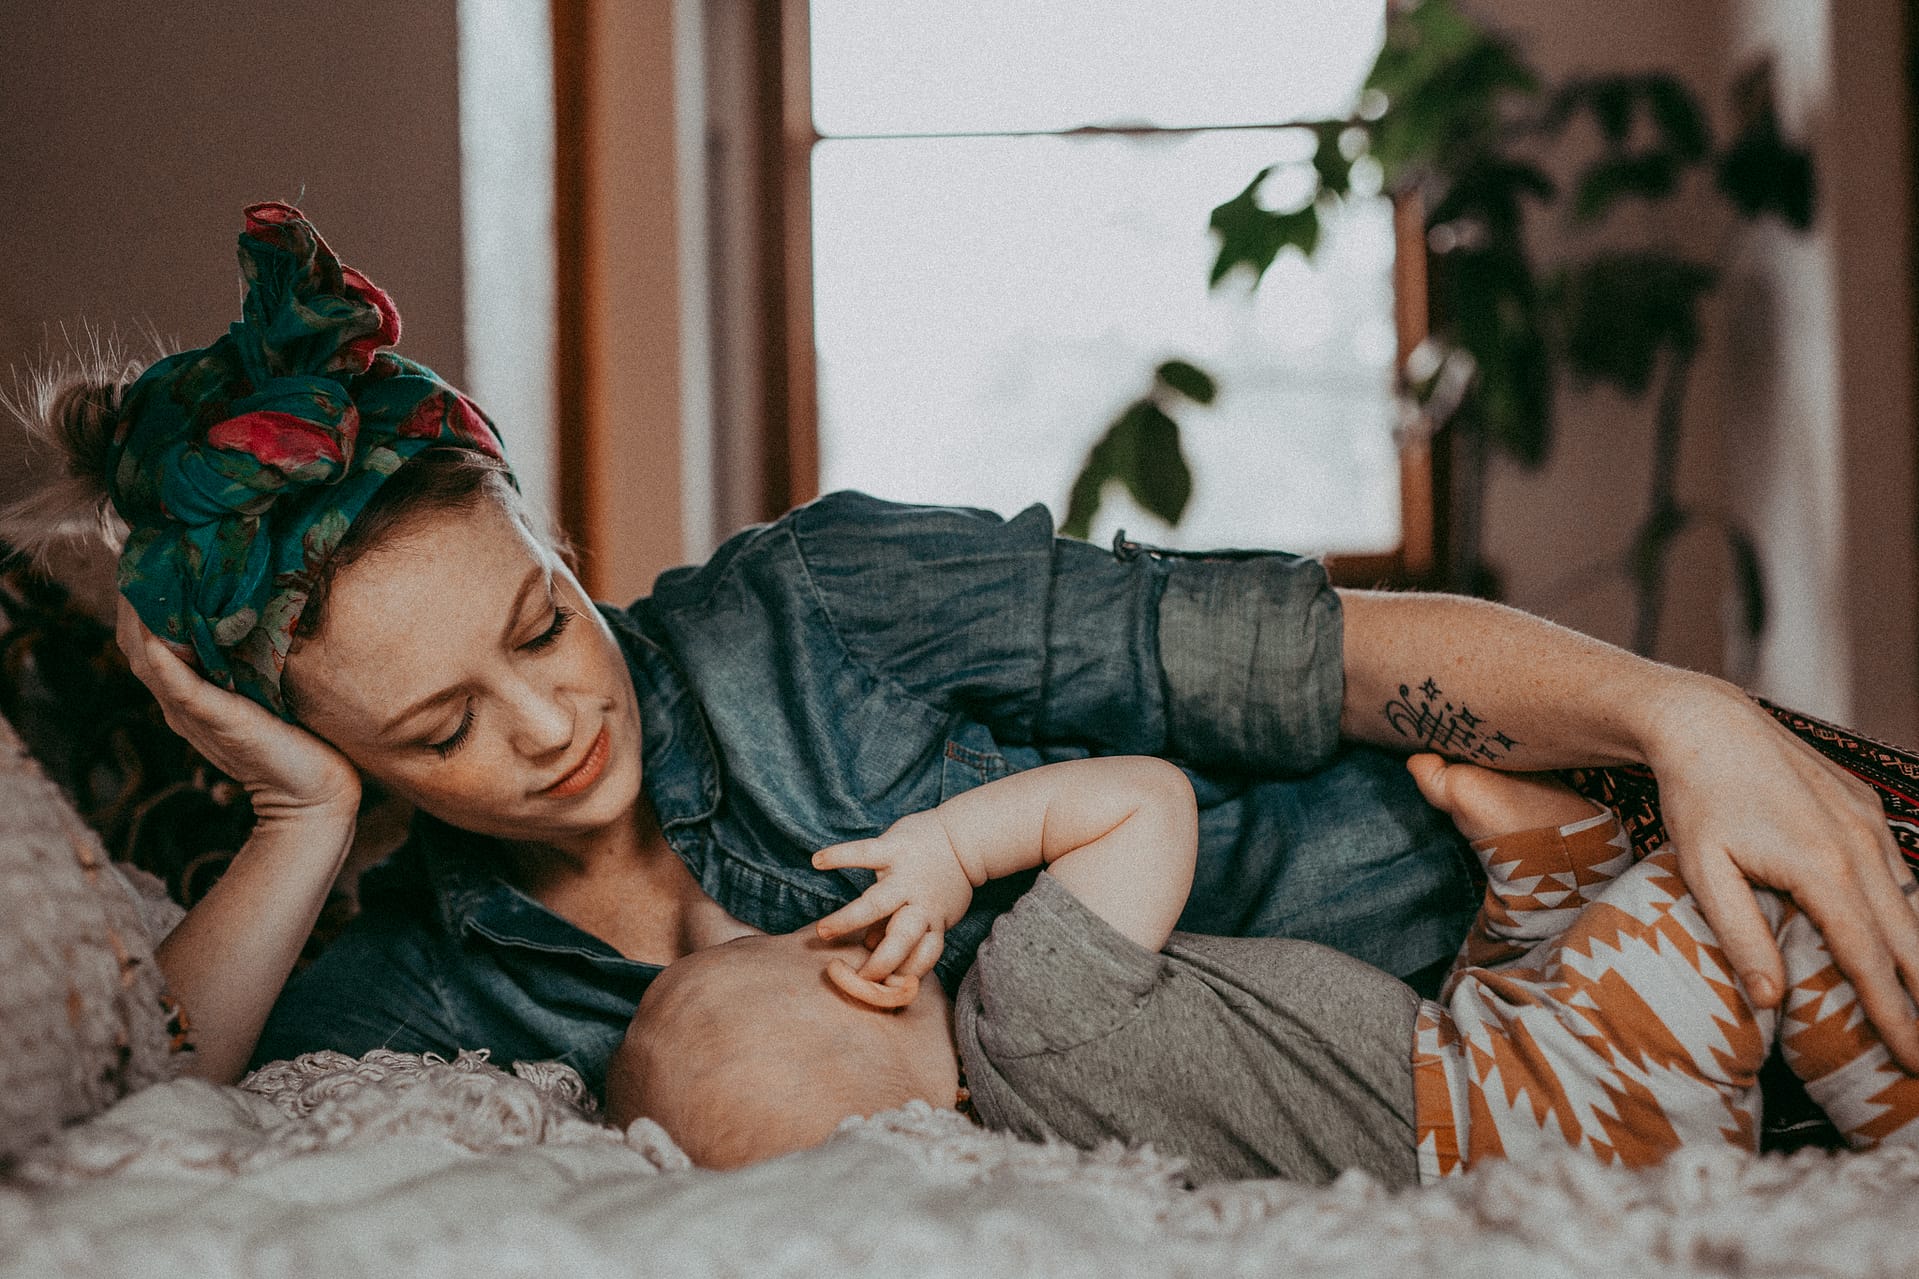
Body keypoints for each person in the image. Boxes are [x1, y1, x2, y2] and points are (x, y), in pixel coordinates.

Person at [9, 202, 1918, 1095]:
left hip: (1588, 899)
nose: (547, 724)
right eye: (436, 730)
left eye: (541, 622)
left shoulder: (825, 604)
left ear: (558, 539)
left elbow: (1310, 654)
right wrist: (297, 824)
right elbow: (134, 1132)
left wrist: (1678, 715)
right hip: (1455, 1133)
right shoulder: (425, 990)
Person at [611, 752, 1919, 1183]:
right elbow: (1146, 803)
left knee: (1523, 958)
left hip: (1479, 1084)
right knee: (1739, 884)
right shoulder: (1026, 1005)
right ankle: (1904, 1122)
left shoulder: (1031, 1154)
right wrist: (954, 849)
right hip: (1540, 1109)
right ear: (869, 977)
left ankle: (1556, 884)